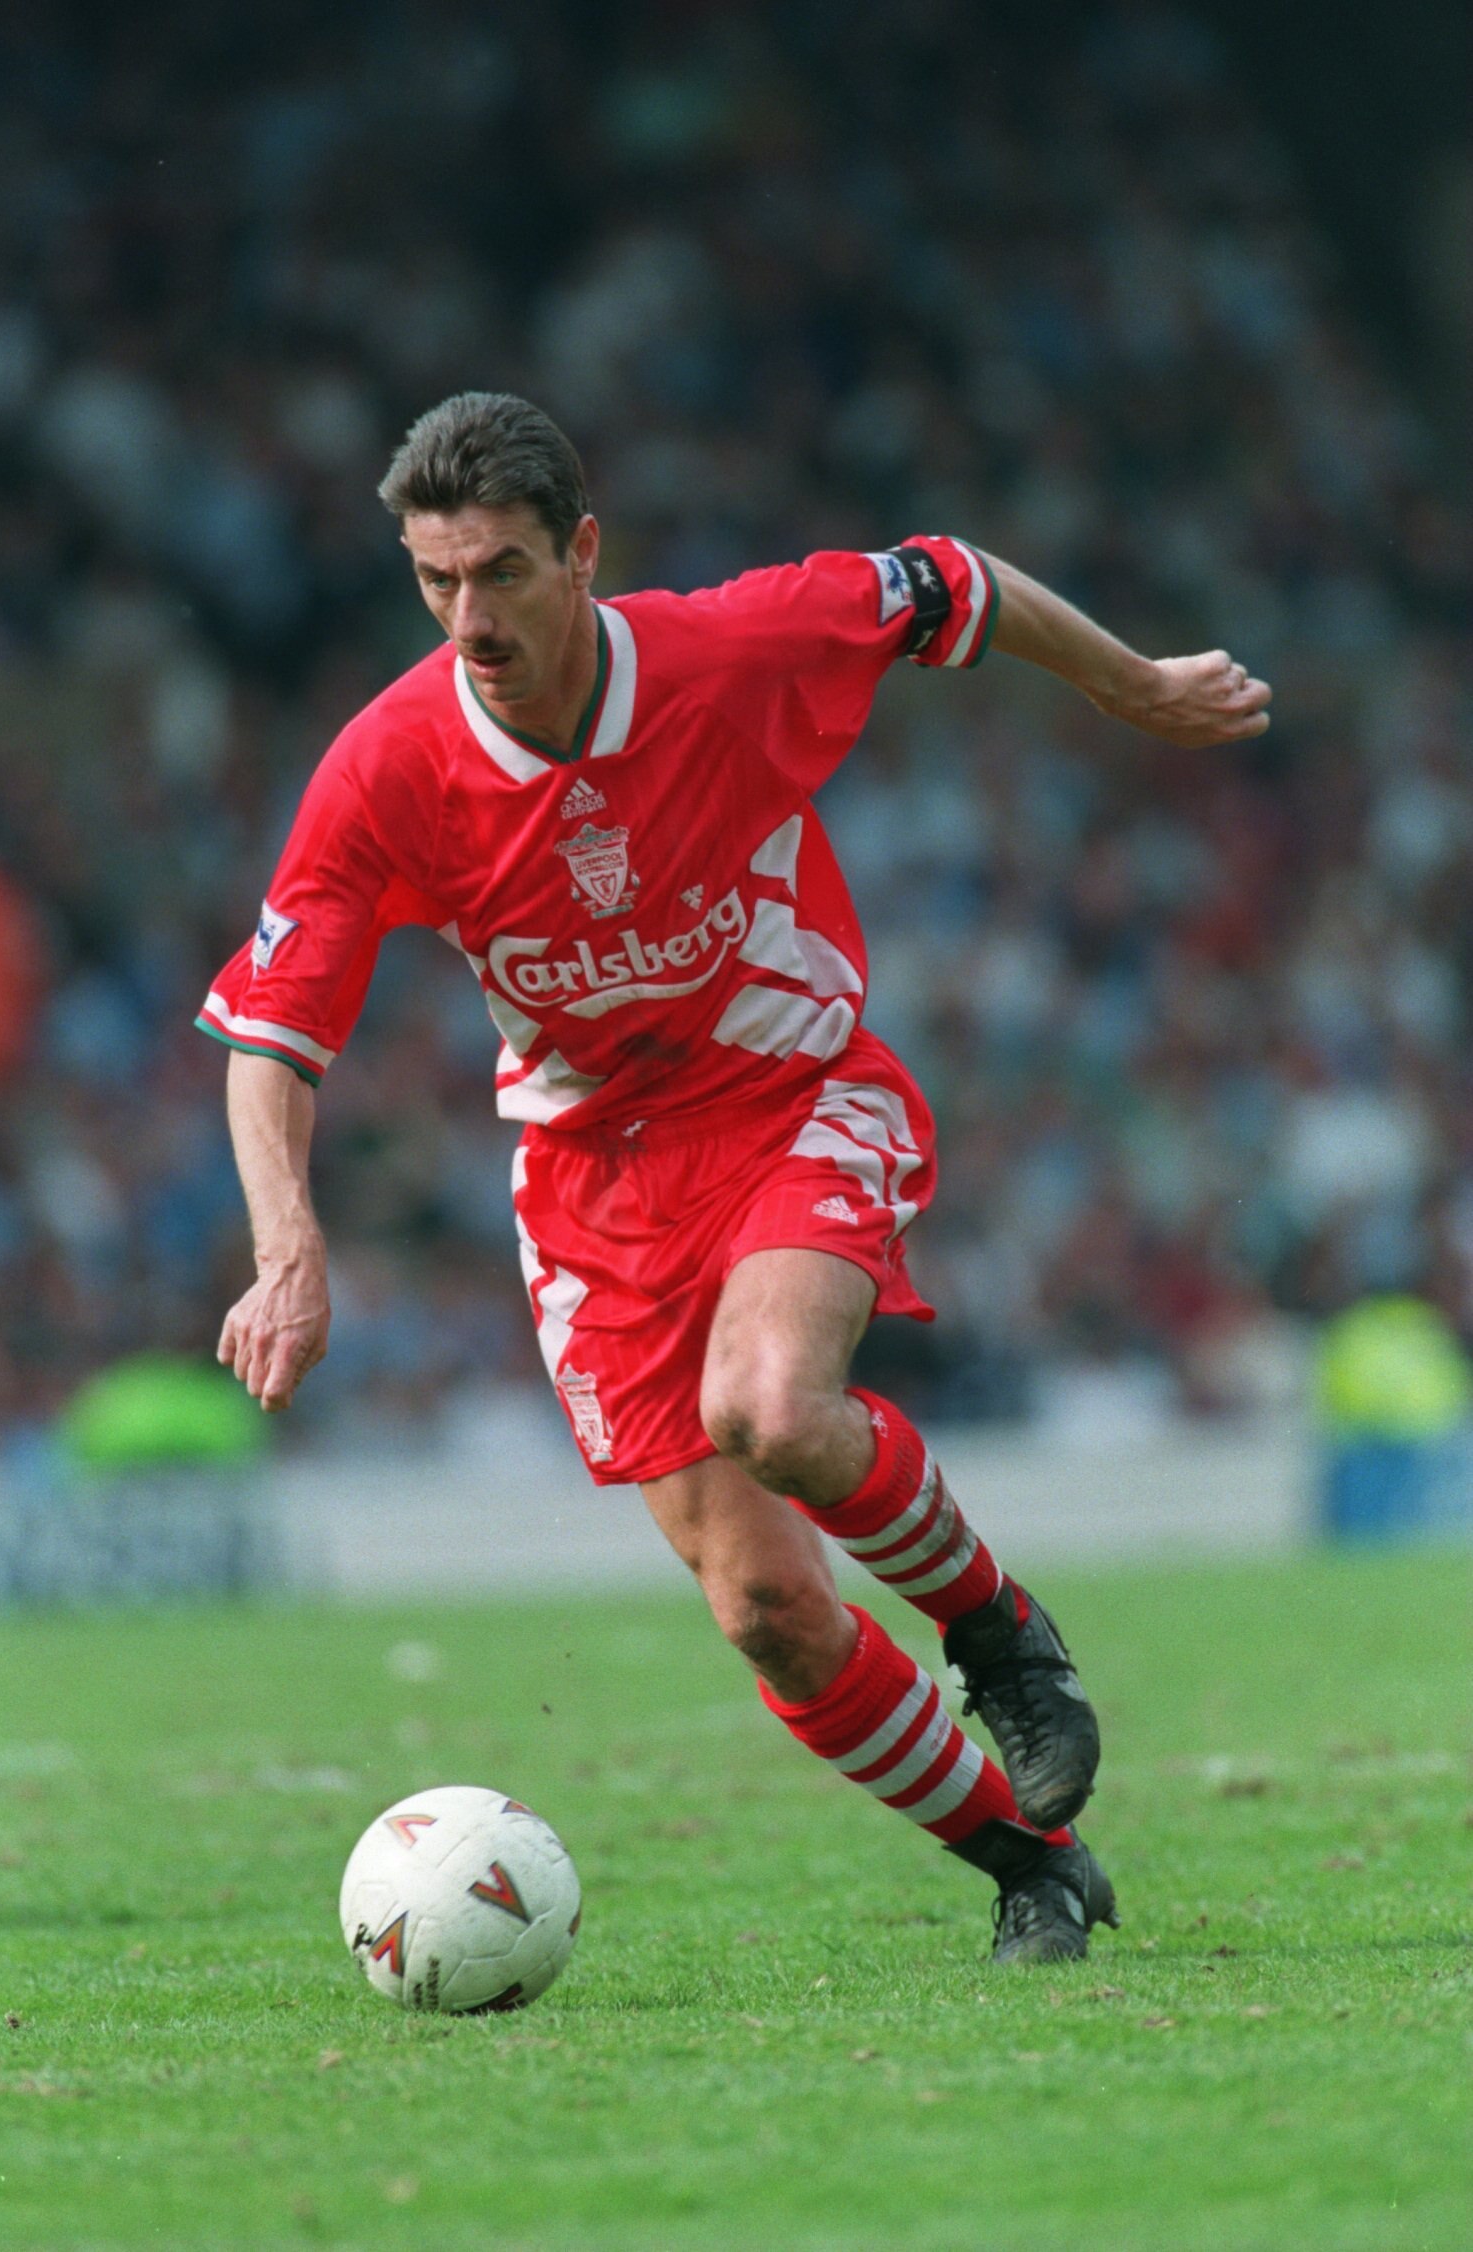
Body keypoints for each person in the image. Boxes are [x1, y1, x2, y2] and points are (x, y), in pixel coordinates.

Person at [200, 392, 1271, 1964]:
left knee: (768, 1411)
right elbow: (271, 1037)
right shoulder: (389, 766)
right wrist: (287, 1247)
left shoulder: (731, 649)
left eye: (500, 572)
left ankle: (998, 1630)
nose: (468, 617)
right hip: (590, 1180)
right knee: (765, 1606)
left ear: (582, 552)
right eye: (435, 581)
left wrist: (1135, 690)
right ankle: (1030, 1867)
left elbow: (948, 580)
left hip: (795, 1092)